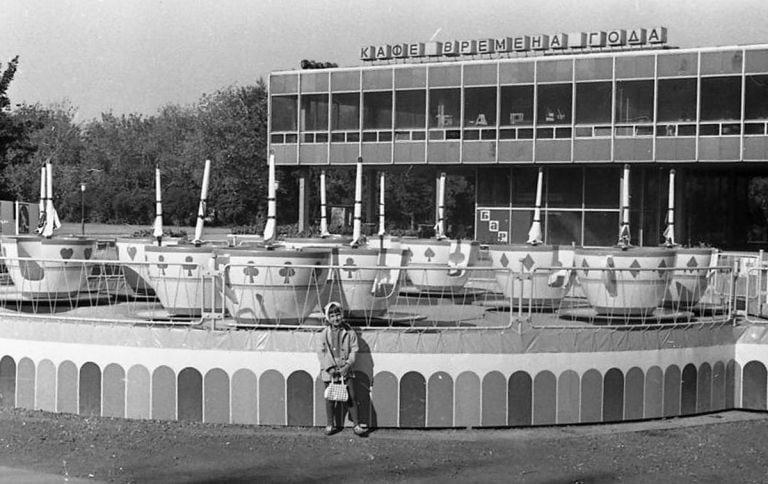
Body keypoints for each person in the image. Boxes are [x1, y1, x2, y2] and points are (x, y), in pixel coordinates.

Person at [317, 301, 365, 436]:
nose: (335, 318)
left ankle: (356, 425)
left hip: (346, 368)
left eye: (337, 314)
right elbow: (322, 352)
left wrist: (348, 365)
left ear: (341, 315)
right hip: (330, 369)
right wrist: (329, 368)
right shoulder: (323, 333)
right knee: (330, 397)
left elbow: (354, 349)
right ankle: (330, 424)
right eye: (331, 315)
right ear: (328, 318)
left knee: (351, 396)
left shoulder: (349, 332)